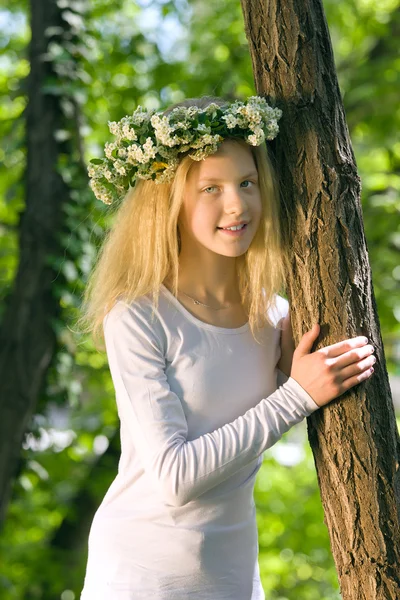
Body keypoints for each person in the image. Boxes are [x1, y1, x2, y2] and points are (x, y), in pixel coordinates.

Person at [78, 95, 375, 600]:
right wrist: (295, 396)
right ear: (170, 202)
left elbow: (242, 436)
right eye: (210, 189)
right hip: (141, 577)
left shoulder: (277, 315)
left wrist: (287, 382)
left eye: (247, 183)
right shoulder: (138, 315)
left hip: (234, 576)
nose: (236, 204)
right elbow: (175, 477)